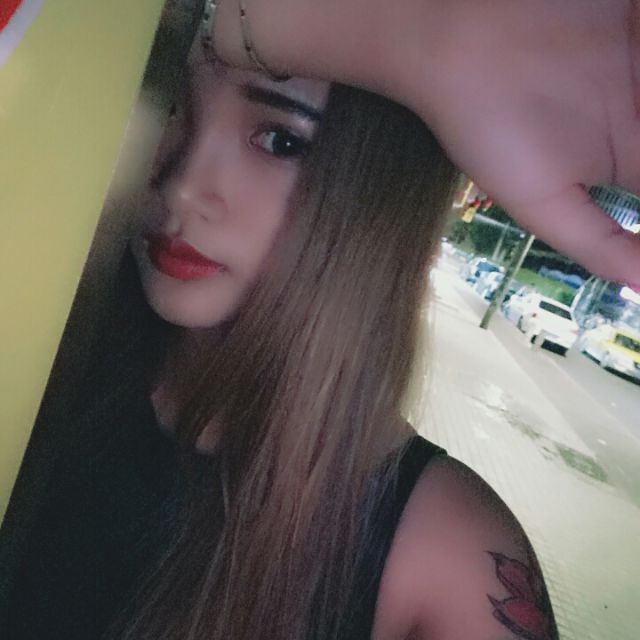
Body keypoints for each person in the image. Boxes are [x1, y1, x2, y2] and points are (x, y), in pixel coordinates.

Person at [6, 1, 639, 639]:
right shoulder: (39, 350)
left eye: (280, 140)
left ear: (383, 195)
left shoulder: (452, 565)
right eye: (169, 106)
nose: (183, 185)